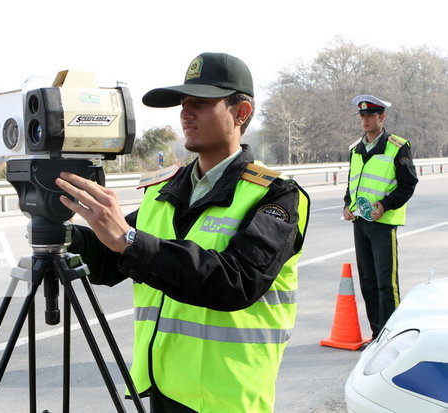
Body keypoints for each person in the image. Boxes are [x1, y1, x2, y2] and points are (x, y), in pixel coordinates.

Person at [55, 52, 310, 413]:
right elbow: (112, 260)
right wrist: (59, 227)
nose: (185, 113)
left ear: (241, 113)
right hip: (164, 388)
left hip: (227, 397)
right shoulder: (166, 191)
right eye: (183, 103)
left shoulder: (275, 194)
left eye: (201, 103)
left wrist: (129, 240)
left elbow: (238, 281)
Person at [343, 95, 418, 340]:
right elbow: (352, 183)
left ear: (381, 117)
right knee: (368, 281)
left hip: (383, 223)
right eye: (362, 116)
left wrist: (385, 205)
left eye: (370, 115)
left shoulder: (397, 146)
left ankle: (391, 336)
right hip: (360, 223)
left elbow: (408, 184)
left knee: (387, 284)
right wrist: (347, 205)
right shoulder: (356, 149)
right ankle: (377, 335)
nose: (365, 120)